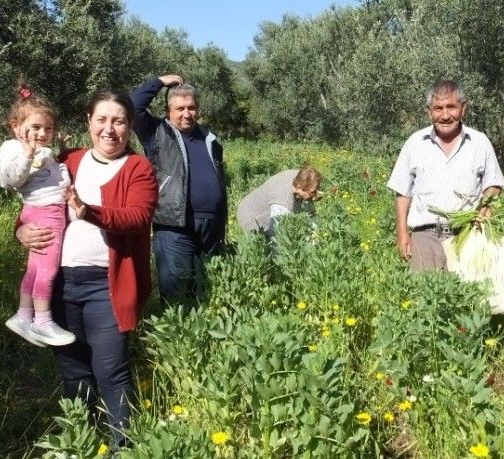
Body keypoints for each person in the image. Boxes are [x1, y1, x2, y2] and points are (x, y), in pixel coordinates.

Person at [16, 90, 158, 448]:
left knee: (111, 370)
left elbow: (138, 217)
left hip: (107, 287)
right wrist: (20, 230)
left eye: (119, 121)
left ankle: (122, 448)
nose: (109, 129)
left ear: (129, 126)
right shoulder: (68, 160)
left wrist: (89, 211)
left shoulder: (139, 167)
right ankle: (79, 441)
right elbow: (36, 202)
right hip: (59, 285)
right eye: (102, 120)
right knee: (73, 370)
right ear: (89, 122)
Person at [387, 80, 504, 271]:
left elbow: (494, 184)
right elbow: (403, 193)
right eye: (438, 108)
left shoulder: (480, 142)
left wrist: (486, 205)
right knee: (424, 296)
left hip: (468, 235)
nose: (445, 115)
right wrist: (402, 233)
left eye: (451, 107)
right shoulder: (415, 143)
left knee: (467, 296)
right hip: (424, 236)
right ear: (429, 111)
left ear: (463, 108)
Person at [130, 74, 227, 300]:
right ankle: (174, 336)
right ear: (168, 111)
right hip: (174, 225)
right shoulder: (156, 132)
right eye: (180, 108)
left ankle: (203, 334)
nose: (186, 114)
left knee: (207, 290)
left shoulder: (210, 138)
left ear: (198, 109)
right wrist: (160, 81)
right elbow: (133, 105)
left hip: (211, 226)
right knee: (176, 293)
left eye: (191, 107)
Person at [0, 83, 75, 347]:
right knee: (48, 270)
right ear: (16, 126)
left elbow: (53, 175)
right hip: (45, 213)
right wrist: (28, 153)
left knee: (35, 268)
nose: (42, 133)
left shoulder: (45, 151)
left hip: (47, 210)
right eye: (36, 127)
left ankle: (23, 315)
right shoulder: (13, 150)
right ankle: (43, 321)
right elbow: (12, 179)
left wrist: (60, 152)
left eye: (48, 128)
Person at [236, 166, 322, 237]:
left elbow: (311, 216)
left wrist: (314, 238)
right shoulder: (283, 200)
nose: (315, 195)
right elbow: (276, 234)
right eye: (312, 193)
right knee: (265, 245)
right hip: (251, 215)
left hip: (265, 207)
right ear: (299, 188)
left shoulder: (301, 177)